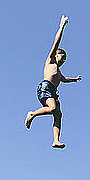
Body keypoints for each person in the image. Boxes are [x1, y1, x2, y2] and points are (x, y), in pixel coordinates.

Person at [25, 15, 81, 149]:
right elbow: (57, 41)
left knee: (58, 114)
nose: (63, 60)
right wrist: (62, 26)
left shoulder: (59, 72)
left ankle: (56, 140)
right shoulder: (50, 61)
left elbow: (64, 79)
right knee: (53, 108)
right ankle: (32, 114)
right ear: (56, 55)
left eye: (65, 60)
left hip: (53, 92)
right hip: (45, 88)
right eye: (62, 57)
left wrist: (75, 79)